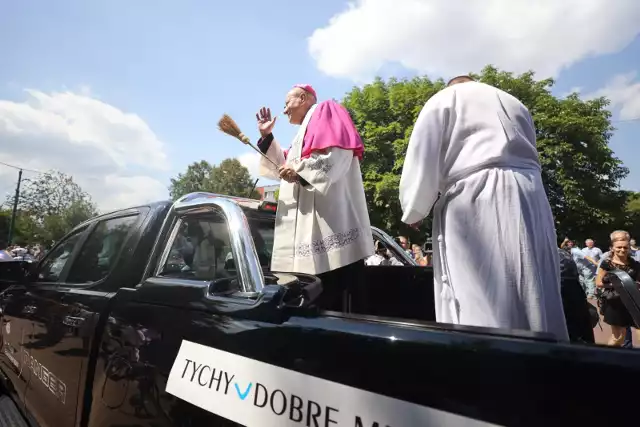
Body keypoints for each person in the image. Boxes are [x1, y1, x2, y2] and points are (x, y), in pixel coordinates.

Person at [399, 75, 568, 340]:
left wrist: (414, 208)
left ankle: (489, 358)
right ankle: (547, 355)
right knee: (536, 283)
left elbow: (423, 152)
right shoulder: (516, 103)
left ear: (453, 85)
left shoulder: (446, 98)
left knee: (480, 290)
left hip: (477, 194)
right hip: (531, 194)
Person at [256, 84, 373, 311]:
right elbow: (283, 166)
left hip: (332, 225)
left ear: (303, 98)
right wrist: (267, 136)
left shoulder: (326, 110)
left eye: (287, 103)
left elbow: (337, 155)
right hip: (310, 233)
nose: (285, 110)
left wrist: (299, 172)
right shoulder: (302, 134)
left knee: (339, 305)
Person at [596, 230, 640, 347]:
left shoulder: (635, 264)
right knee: (618, 336)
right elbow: (599, 283)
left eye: (625, 247)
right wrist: (617, 285)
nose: (622, 250)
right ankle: (607, 359)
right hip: (615, 302)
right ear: (612, 248)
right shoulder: (606, 264)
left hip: (633, 300)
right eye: (619, 247)